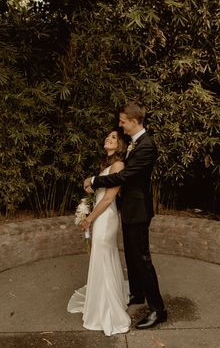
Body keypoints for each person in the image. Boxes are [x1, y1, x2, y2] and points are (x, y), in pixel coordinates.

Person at [84, 101, 167, 329]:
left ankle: (158, 309)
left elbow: (125, 177)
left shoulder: (147, 146)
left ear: (133, 121)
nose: (120, 126)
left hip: (138, 211)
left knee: (142, 258)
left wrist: (95, 181)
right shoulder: (134, 143)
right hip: (129, 209)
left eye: (122, 122)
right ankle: (138, 294)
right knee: (131, 255)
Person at [67, 130, 131, 336]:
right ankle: (102, 300)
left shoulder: (119, 165)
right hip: (101, 216)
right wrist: (89, 187)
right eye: (108, 136)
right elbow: (98, 191)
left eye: (113, 137)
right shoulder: (107, 167)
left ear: (120, 145)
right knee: (103, 256)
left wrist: (89, 219)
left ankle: (108, 309)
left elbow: (108, 198)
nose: (108, 138)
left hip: (106, 217)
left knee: (103, 256)